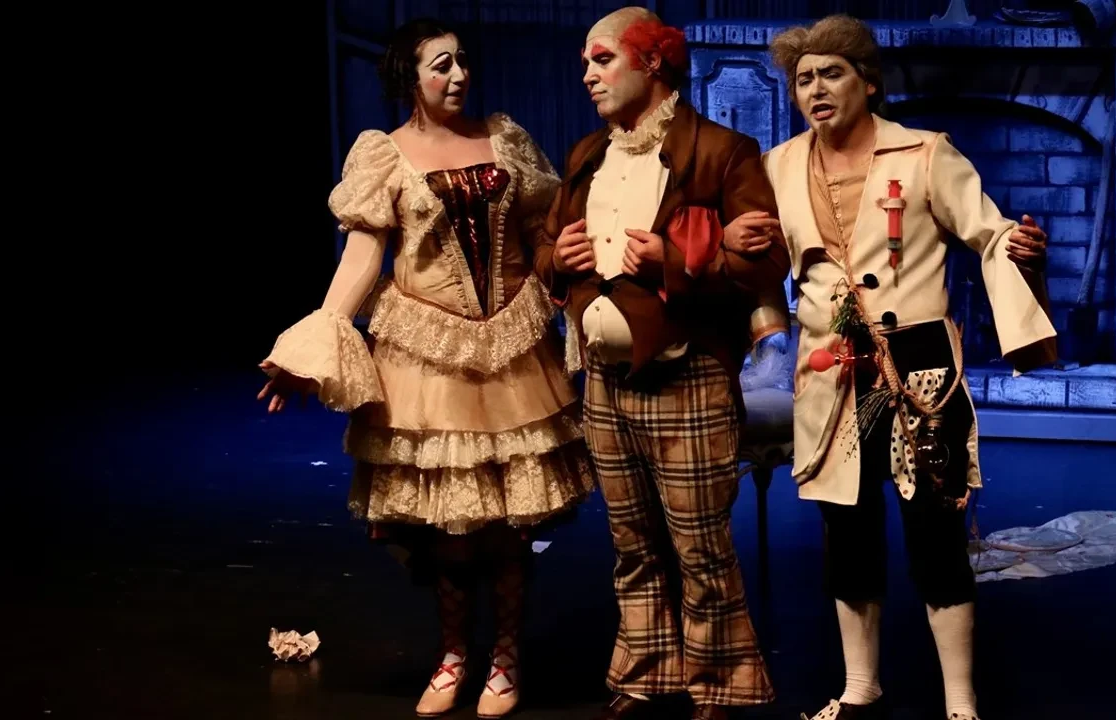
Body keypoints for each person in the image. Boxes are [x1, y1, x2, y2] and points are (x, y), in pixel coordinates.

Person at [256, 18, 594, 719]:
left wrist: (577, 285)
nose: (459, 74)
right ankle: (454, 655)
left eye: (463, 61)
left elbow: (539, 231)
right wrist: (309, 353)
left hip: (512, 351)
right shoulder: (384, 154)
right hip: (427, 356)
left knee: (509, 525)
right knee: (449, 529)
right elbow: (362, 259)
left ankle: (506, 657)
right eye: (442, 64)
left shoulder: (504, 138)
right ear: (409, 77)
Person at [758, 15, 1055, 720]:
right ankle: (861, 686)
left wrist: (1019, 247)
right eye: (803, 79)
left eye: (831, 74)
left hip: (919, 366)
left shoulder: (925, 153)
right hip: (833, 371)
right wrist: (762, 315)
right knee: (847, 533)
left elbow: (988, 231)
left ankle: (960, 700)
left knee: (935, 531)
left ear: (867, 82)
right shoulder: (779, 165)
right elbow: (762, 263)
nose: (815, 89)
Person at [534, 7, 790, 720]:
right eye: (586, 64)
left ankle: (718, 683)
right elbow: (546, 247)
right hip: (606, 382)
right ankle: (647, 672)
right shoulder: (588, 154)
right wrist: (559, 260)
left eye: (603, 60)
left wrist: (675, 263)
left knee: (700, 545)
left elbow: (767, 262)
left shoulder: (721, 151)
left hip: (688, 375)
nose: (589, 76)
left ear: (652, 62)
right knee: (633, 543)